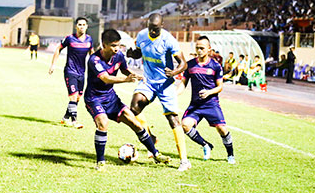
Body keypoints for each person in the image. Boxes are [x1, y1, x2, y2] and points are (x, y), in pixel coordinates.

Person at [84, 29, 171, 170]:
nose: (117, 49)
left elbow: (124, 70)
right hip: (94, 99)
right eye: (113, 45)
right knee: (103, 123)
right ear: (104, 44)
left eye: (118, 45)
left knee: (136, 123)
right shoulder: (94, 60)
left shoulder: (118, 56)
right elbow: (106, 78)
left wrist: (135, 75)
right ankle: (100, 162)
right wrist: (126, 79)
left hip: (111, 98)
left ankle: (156, 154)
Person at [127, 13, 190, 171]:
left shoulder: (169, 40)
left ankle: (184, 160)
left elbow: (183, 63)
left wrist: (174, 72)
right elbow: (139, 52)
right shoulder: (142, 35)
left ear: (162, 26)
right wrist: (131, 53)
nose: (152, 32)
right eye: (150, 28)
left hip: (165, 84)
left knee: (173, 119)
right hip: (148, 81)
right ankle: (151, 138)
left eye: (155, 29)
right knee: (134, 107)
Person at [177, 36, 235, 164]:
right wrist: (175, 94)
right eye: (197, 48)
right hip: (195, 105)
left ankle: (230, 155)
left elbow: (220, 87)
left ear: (209, 49)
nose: (199, 50)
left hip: (211, 104)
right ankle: (205, 145)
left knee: (222, 129)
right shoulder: (190, 64)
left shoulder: (216, 66)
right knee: (185, 125)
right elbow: (183, 83)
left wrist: (209, 92)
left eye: (202, 48)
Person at [49, 17, 94, 129]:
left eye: (84, 24)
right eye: (79, 24)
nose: (81, 26)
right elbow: (58, 49)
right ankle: (74, 121)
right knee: (73, 97)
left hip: (82, 73)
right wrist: (53, 64)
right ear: (76, 26)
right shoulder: (69, 38)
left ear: (87, 26)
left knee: (78, 98)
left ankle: (65, 118)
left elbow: (92, 54)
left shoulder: (89, 40)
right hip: (70, 71)